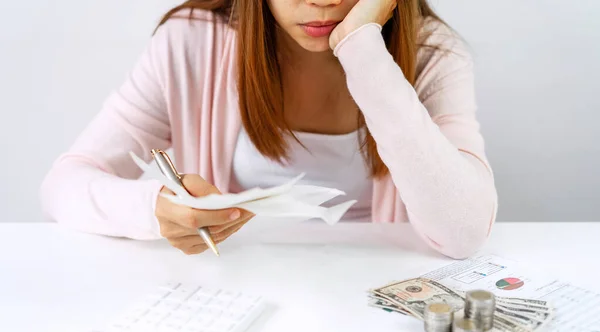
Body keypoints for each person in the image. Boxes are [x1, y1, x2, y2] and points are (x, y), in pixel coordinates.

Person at [40, 0, 498, 259]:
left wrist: (363, 49)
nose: (323, 0)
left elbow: (463, 231)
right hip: (240, 282)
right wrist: (154, 209)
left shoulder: (435, 55)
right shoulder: (193, 42)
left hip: (374, 289)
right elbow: (65, 183)